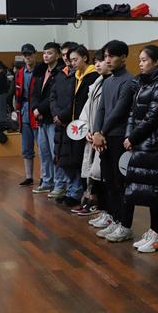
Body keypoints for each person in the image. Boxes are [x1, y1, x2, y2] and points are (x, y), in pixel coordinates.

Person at [116, 45, 158, 250]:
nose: (140, 64)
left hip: (155, 146)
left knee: (157, 191)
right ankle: (153, 232)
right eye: (139, 60)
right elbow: (132, 113)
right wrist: (129, 136)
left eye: (144, 60)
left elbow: (152, 117)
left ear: (156, 62)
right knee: (149, 191)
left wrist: (133, 137)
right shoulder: (143, 83)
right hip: (142, 144)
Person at [92, 40, 136, 241]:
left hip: (119, 137)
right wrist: (96, 133)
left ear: (123, 57)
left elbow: (119, 111)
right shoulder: (107, 81)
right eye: (105, 56)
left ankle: (125, 225)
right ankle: (115, 219)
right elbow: (101, 109)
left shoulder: (129, 81)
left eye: (111, 56)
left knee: (121, 183)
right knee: (109, 181)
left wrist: (101, 132)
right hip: (105, 137)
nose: (107, 60)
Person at [55, 45, 99, 207]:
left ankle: (86, 196)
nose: (72, 63)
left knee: (85, 162)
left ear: (85, 58)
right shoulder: (76, 77)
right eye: (70, 60)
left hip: (87, 125)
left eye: (75, 59)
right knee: (72, 160)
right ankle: (75, 192)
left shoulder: (93, 77)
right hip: (74, 124)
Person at [79, 48, 111, 217]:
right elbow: (86, 111)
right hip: (92, 134)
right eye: (96, 61)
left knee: (103, 174)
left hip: (104, 135)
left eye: (101, 61)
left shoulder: (112, 83)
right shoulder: (96, 83)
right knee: (93, 173)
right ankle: (96, 204)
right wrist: (86, 130)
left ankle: (104, 209)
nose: (98, 64)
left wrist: (99, 132)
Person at [30, 42, 65, 194]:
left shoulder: (60, 72)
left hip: (52, 117)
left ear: (57, 55)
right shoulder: (41, 71)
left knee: (54, 152)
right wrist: (34, 108)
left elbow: (53, 95)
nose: (46, 56)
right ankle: (47, 181)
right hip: (41, 118)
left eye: (49, 53)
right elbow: (34, 93)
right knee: (43, 152)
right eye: (44, 53)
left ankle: (59, 184)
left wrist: (40, 109)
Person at [48, 42, 78, 199]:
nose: (66, 58)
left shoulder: (79, 75)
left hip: (71, 122)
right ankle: (68, 189)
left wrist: (62, 116)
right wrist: (55, 114)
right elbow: (52, 97)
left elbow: (75, 100)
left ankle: (75, 192)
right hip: (59, 121)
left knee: (73, 159)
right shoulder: (60, 74)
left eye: (69, 55)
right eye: (64, 54)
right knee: (62, 157)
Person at [15, 44, 44, 186]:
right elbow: (16, 92)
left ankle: (44, 177)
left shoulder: (41, 71)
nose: (27, 57)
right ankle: (29, 177)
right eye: (25, 55)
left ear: (35, 54)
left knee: (42, 147)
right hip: (24, 112)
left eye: (30, 54)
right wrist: (16, 109)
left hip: (37, 111)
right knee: (26, 148)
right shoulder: (20, 73)